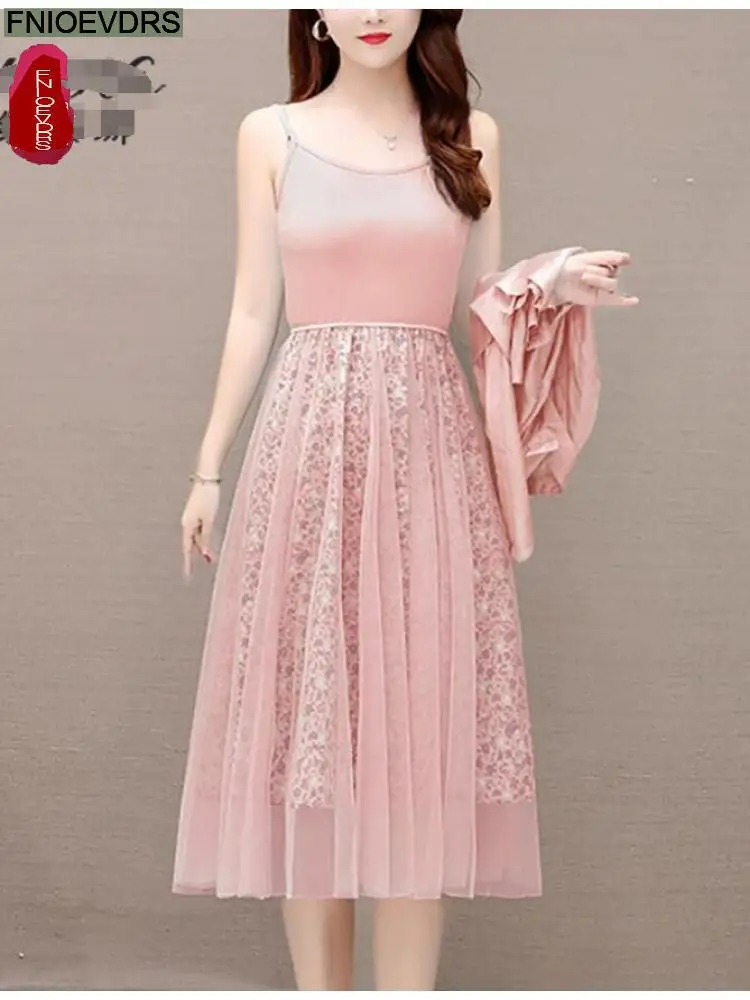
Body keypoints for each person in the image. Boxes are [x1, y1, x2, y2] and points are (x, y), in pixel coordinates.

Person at [172, 9, 638, 991]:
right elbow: (254, 307)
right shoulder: (270, 134)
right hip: (306, 453)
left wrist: (552, 281)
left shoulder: (471, 134)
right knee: (310, 740)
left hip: (430, 457)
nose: (375, 11)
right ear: (314, 13)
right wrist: (209, 466)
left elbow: (483, 307)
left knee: (418, 739)